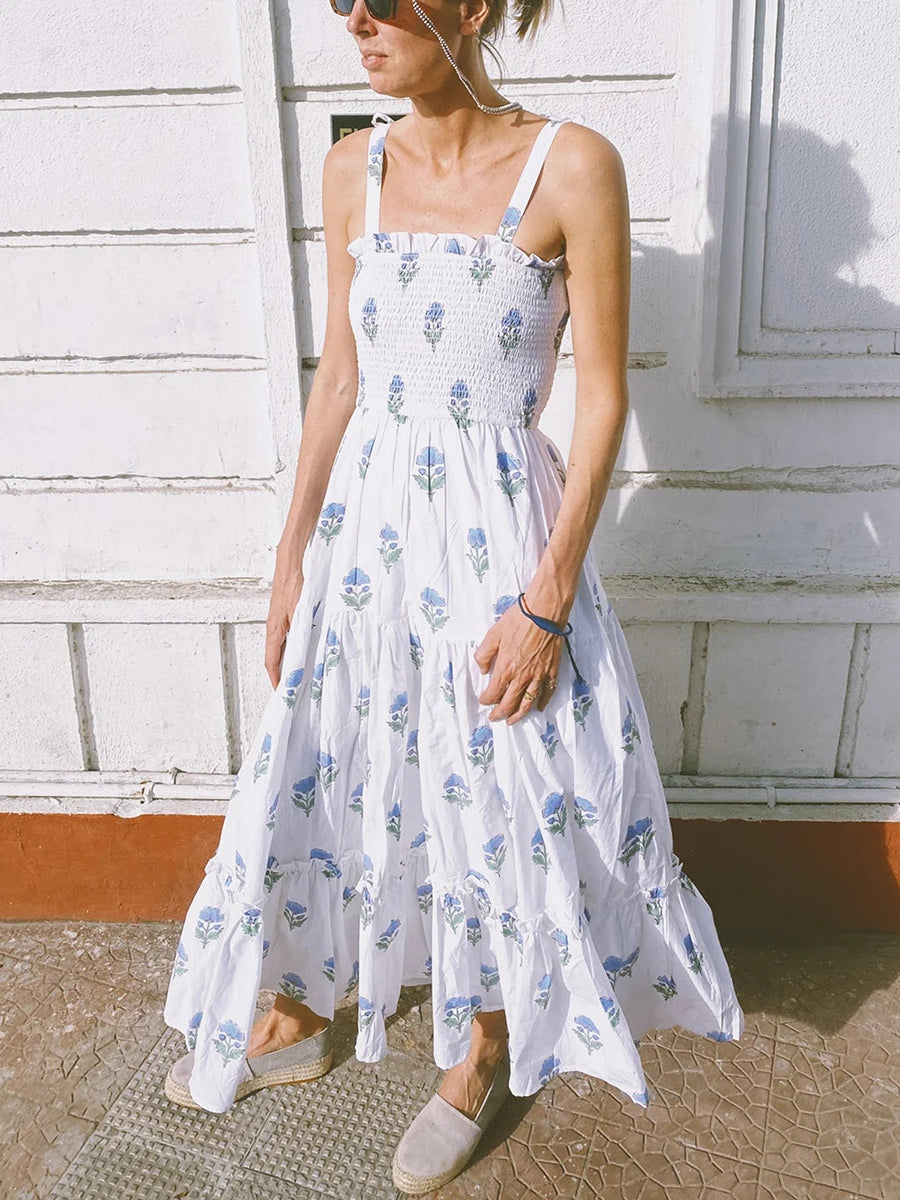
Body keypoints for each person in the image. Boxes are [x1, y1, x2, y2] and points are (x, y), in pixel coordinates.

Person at [163, 0, 745, 1193]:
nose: (357, 20)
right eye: (344, 1)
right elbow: (340, 380)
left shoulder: (571, 164)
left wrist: (549, 598)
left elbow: (601, 401)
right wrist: (288, 559)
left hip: (498, 537)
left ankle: (481, 1044)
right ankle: (300, 1004)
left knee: (495, 784)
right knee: (327, 760)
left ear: (472, 7)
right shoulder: (352, 169)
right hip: (367, 534)